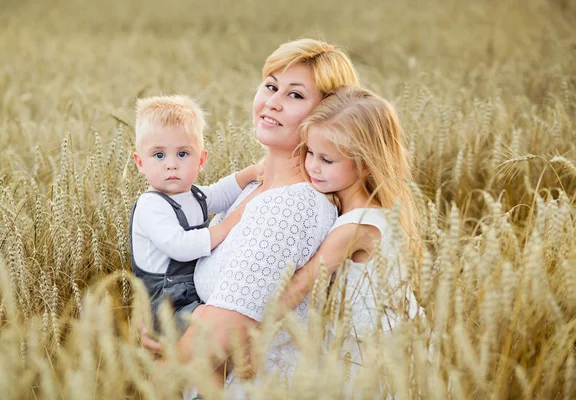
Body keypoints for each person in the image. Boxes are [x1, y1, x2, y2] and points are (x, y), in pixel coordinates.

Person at [140, 38, 361, 396]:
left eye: (295, 95)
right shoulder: (253, 190)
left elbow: (212, 342)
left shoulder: (289, 208)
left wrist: (154, 374)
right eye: (271, 86)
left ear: (327, 116)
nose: (272, 102)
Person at [278, 85, 422, 388]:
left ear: (366, 163)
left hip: (373, 353)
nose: (313, 166)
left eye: (327, 160)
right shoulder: (359, 208)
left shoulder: (356, 226)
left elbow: (300, 285)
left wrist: (249, 328)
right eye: (310, 153)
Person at [130, 94, 260, 332]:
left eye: (182, 154)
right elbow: (180, 246)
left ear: (201, 160)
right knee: (213, 327)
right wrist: (229, 224)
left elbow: (221, 193)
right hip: (166, 304)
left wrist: (249, 174)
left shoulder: (194, 196)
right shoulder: (151, 205)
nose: (171, 164)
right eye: (159, 155)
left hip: (191, 296)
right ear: (140, 163)